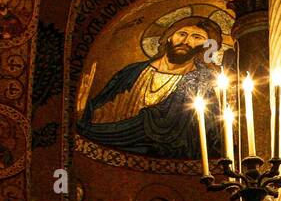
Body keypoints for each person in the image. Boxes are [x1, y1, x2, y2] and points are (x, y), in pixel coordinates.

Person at [78, 14, 225, 159]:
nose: (186, 41)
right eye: (182, 34)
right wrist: (83, 109)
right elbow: (99, 110)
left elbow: (209, 136)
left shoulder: (201, 84)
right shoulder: (132, 72)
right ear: (169, 37)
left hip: (171, 160)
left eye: (197, 37)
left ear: (205, 46)